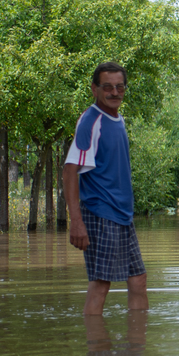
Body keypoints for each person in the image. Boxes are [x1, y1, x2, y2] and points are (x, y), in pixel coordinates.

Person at [62, 62, 148, 315]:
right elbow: (69, 171)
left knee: (138, 281)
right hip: (100, 212)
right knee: (100, 284)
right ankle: (96, 352)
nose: (114, 92)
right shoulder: (91, 121)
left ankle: (135, 348)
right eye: (107, 87)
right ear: (94, 90)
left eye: (119, 87)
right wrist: (76, 222)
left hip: (122, 215)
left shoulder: (117, 118)